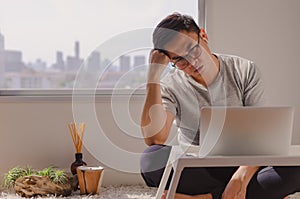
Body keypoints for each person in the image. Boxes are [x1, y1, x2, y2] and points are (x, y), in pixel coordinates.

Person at [140, 13, 300, 199]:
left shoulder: (244, 70)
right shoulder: (170, 85)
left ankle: (207, 197)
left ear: (203, 35)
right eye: (180, 60)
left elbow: (262, 138)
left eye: (193, 49)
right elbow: (154, 139)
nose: (191, 62)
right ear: (171, 61)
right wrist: (152, 78)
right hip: (199, 167)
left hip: (247, 164)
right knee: (151, 159)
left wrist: (240, 178)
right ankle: (242, 194)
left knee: (295, 169)